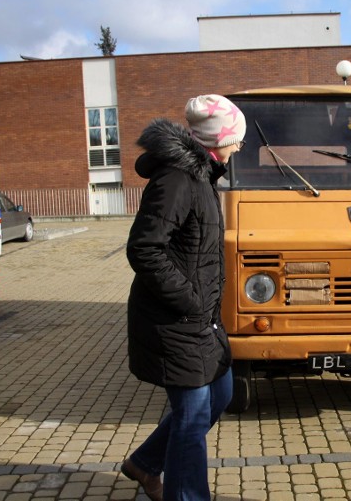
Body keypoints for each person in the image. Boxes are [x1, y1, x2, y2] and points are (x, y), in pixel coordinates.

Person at [121, 94, 246, 501]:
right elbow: (144, 248)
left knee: (222, 395)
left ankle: (144, 463)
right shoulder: (177, 179)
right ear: (218, 140)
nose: (241, 146)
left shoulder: (203, 176)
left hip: (202, 321)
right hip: (177, 320)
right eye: (237, 138)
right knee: (191, 421)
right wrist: (189, 299)